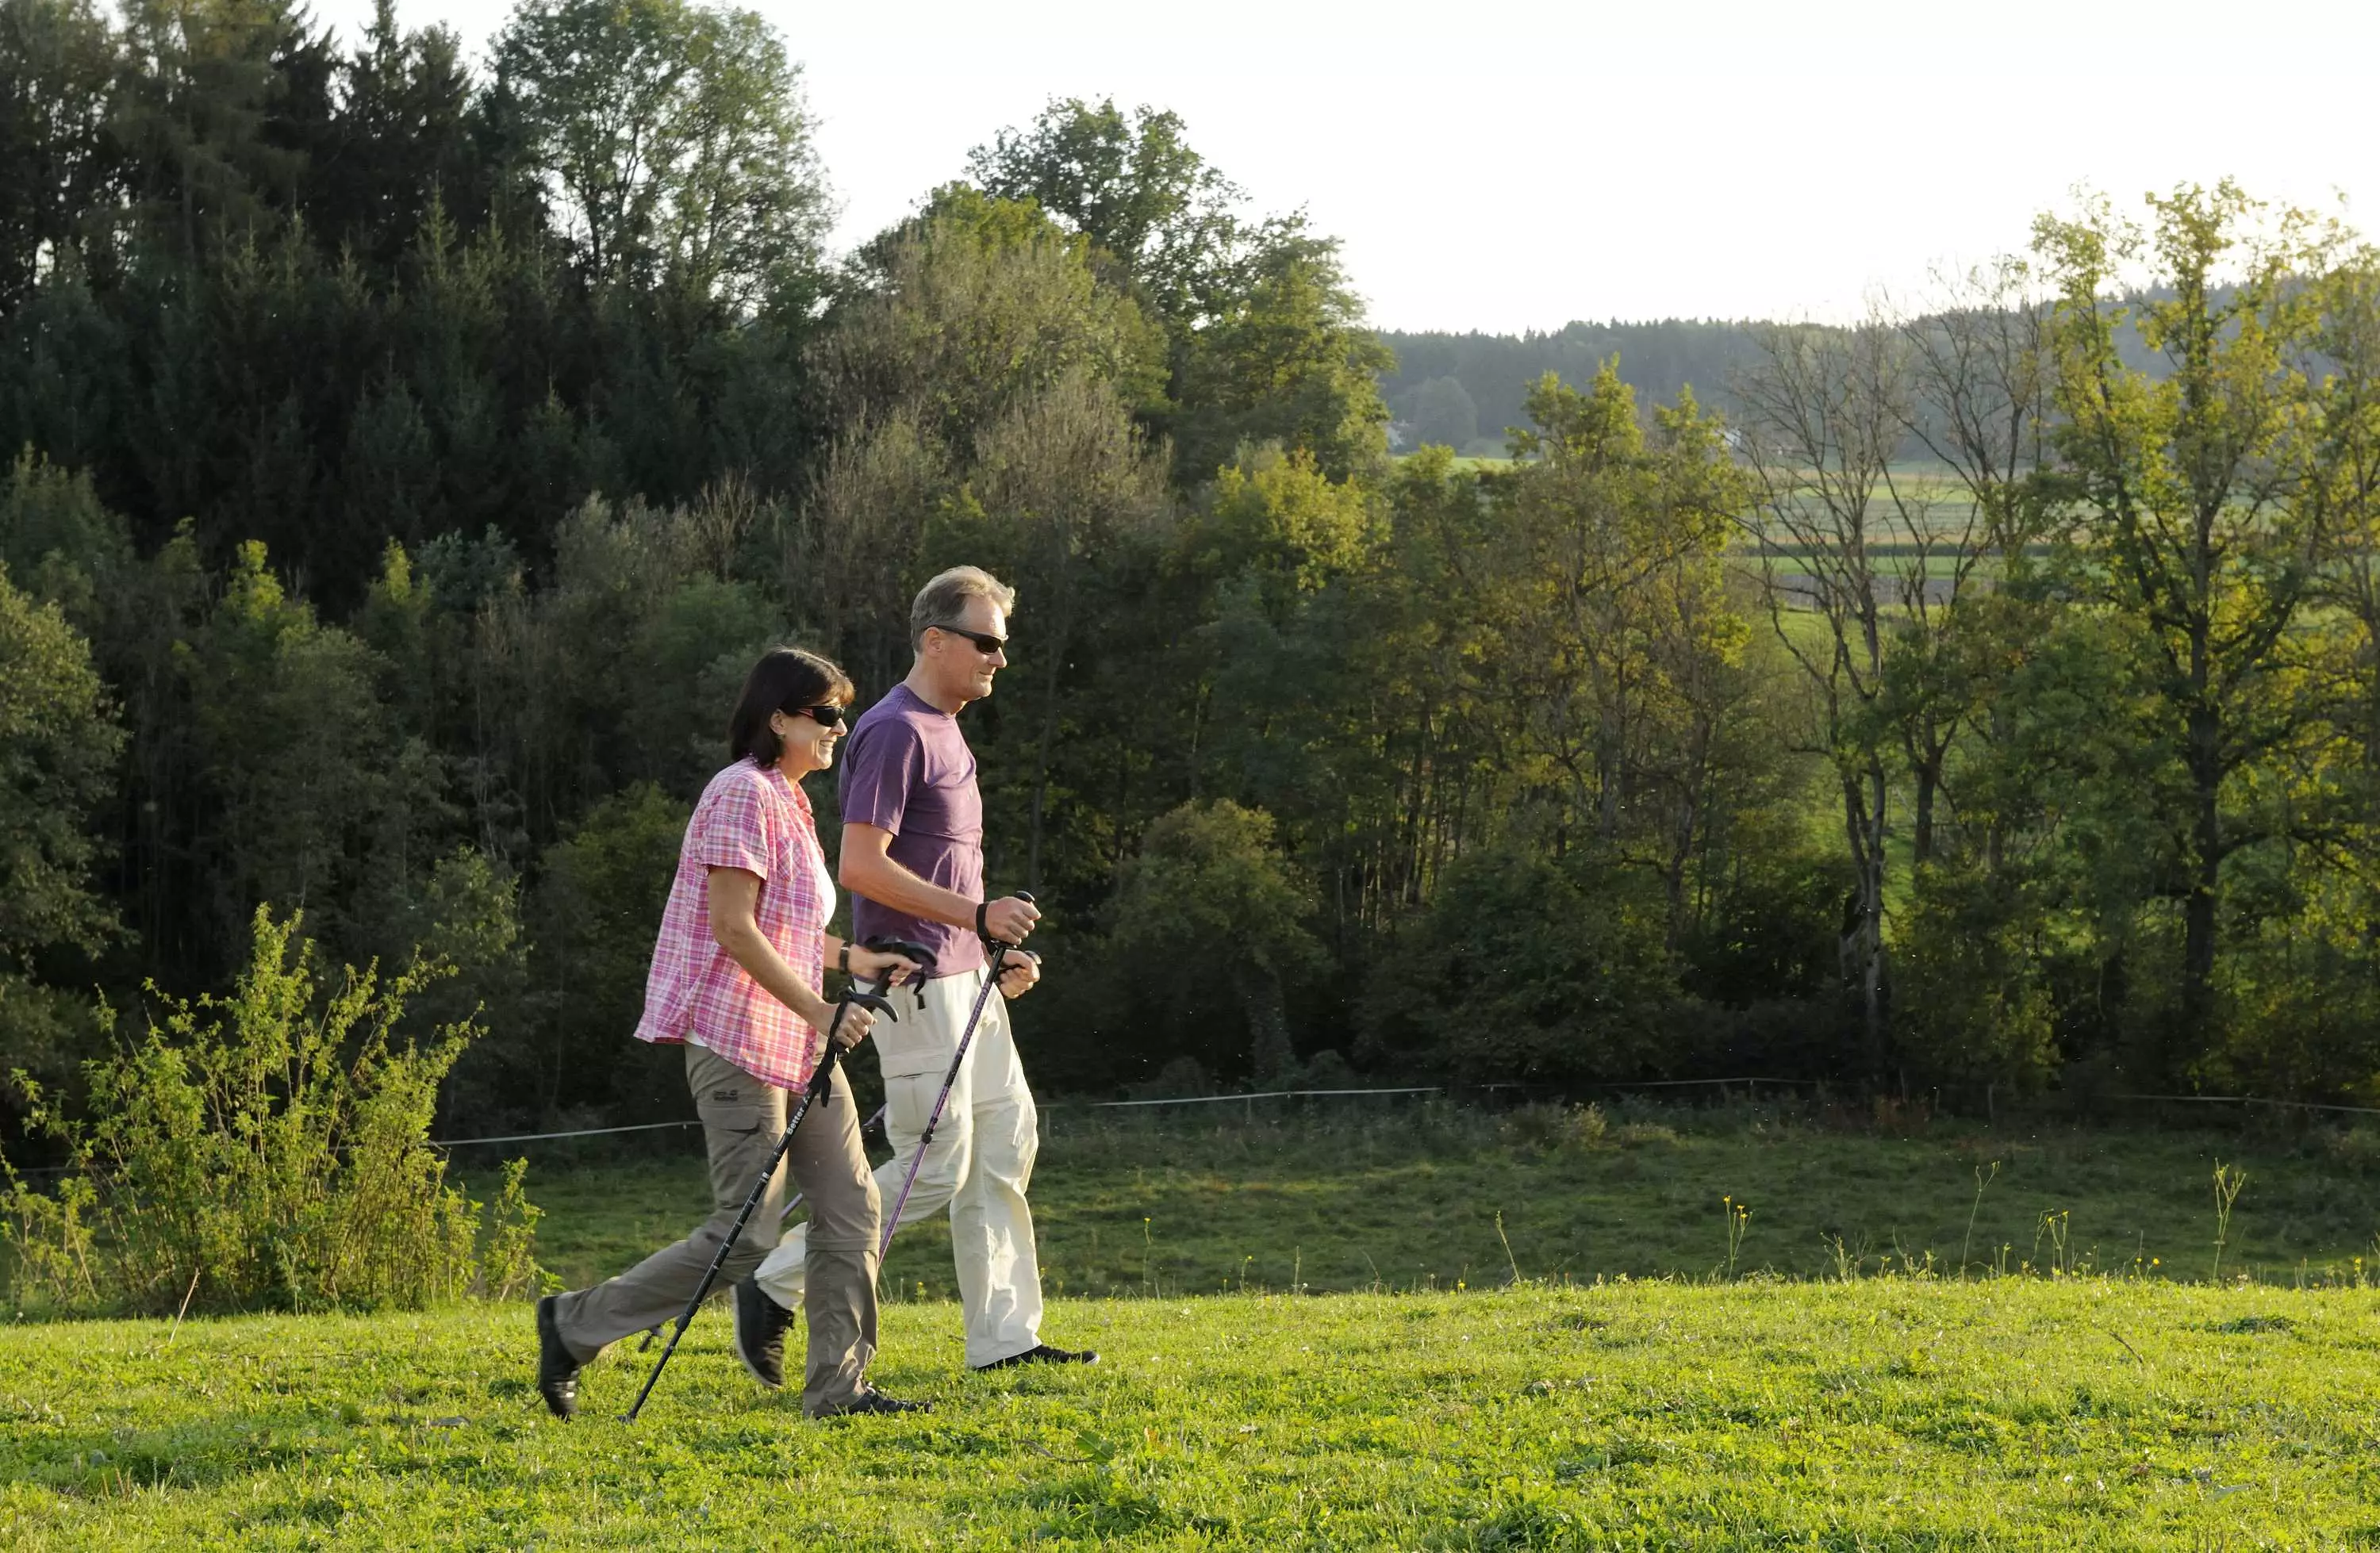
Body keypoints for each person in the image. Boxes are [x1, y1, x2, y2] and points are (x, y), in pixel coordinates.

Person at [535, 647, 927, 1420]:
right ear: (779, 717)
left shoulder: (791, 800)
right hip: (739, 1038)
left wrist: (858, 957)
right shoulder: (740, 793)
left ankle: (838, 1390)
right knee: (745, 1236)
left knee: (851, 1207)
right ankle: (573, 1322)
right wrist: (822, 1009)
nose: (840, 730)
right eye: (827, 715)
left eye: (843, 714)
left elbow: (789, 929)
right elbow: (734, 928)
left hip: (798, 1042)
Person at [750, 567, 1097, 1373]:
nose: (999, 658)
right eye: (985, 641)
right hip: (913, 982)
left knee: (1007, 1142)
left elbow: (946, 876)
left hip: (965, 976)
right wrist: (973, 920)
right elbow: (862, 867)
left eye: (1003, 644)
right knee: (937, 1163)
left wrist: (992, 946)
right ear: (935, 639)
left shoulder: (949, 730)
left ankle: (1006, 1339)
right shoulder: (894, 729)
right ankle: (771, 1280)